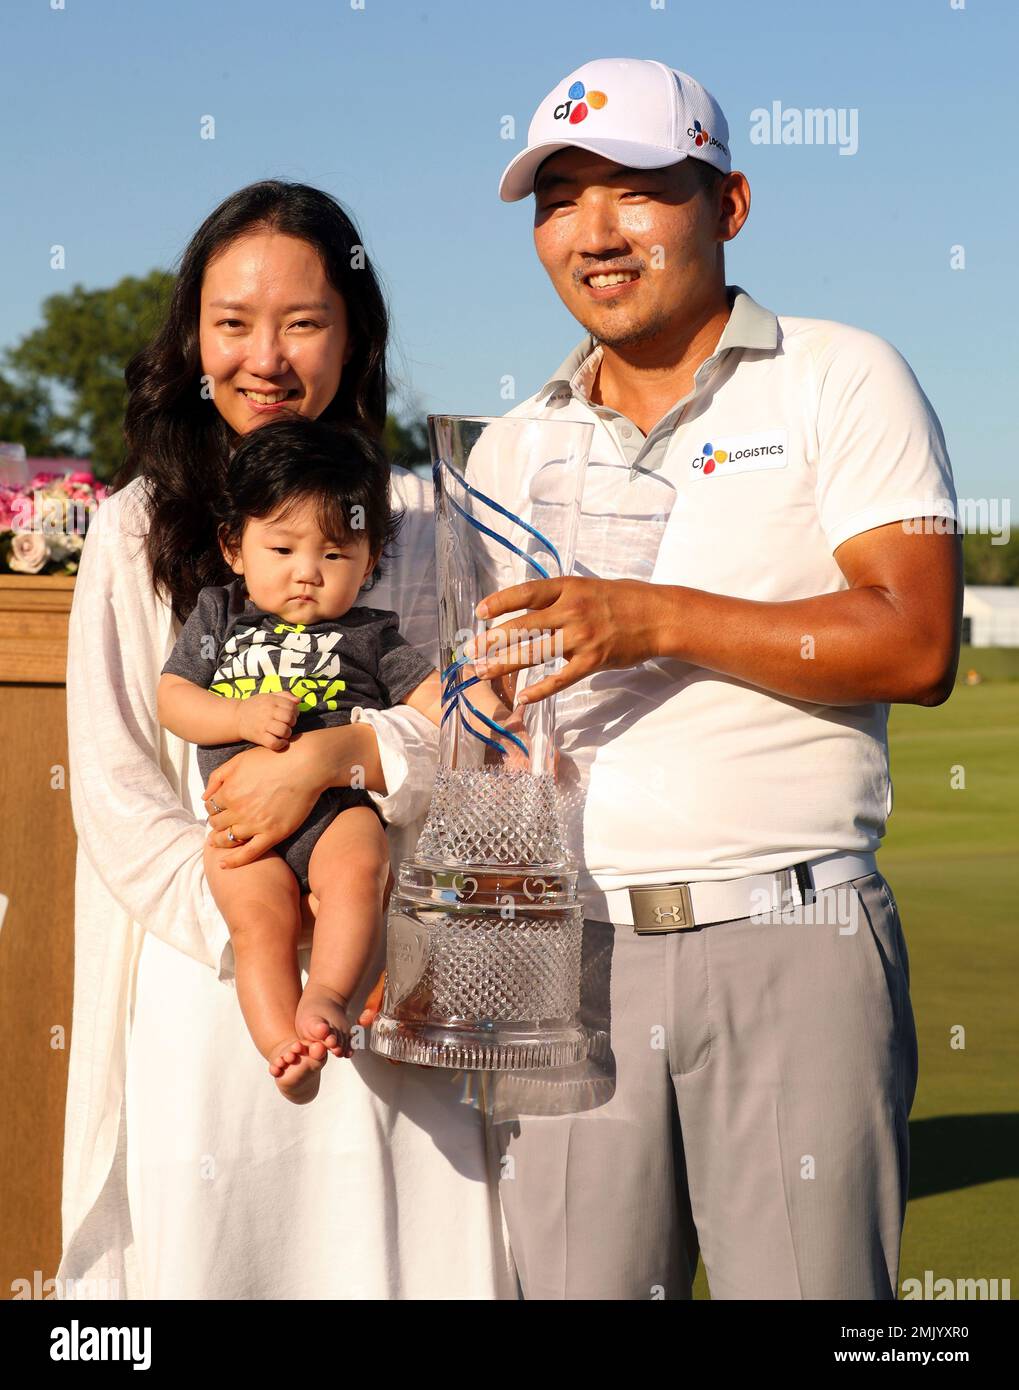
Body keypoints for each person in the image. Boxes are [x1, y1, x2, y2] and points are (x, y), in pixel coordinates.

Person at [472, 58, 962, 1299]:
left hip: (788, 930)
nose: (593, 232)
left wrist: (653, 619)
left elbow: (914, 643)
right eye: (560, 197)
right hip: (565, 955)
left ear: (726, 203)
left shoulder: (838, 373)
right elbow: (476, 711)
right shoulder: (513, 442)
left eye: (637, 189)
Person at [58, 179, 515, 1299]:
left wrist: (340, 765)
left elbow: (480, 737)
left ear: (353, 337)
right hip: (206, 978)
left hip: (388, 978)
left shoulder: (418, 517)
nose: (265, 357)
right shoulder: (133, 526)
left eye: (302, 322)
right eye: (233, 324)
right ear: (192, 338)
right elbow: (115, 780)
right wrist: (245, 910)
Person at [158, 413, 524, 1101]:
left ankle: (326, 996)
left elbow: (429, 700)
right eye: (282, 549)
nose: (306, 573)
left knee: (361, 868)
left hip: (337, 808)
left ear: (369, 558)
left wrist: (482, 702)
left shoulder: (372, 633)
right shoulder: (218, 616)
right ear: (233, 547)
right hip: (241, 823)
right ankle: (280, 1045)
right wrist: (236, 715)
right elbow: (173, 698)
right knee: (257, 922)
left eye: (333, 555)